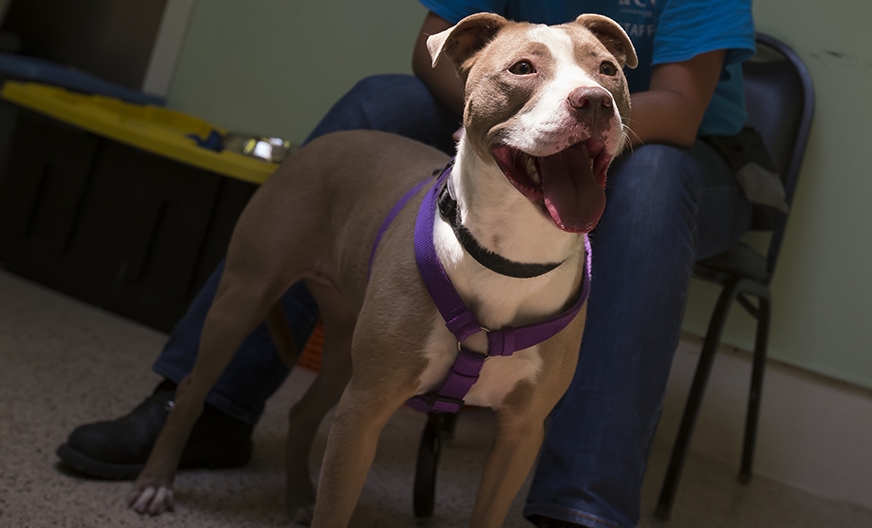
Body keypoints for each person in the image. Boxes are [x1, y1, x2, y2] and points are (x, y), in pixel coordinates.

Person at [58, 1, 757, 526]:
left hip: (675, 151)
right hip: (514, 106)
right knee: (378, 100)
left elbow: (681, 106)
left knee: (654, 185)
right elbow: (432, 48)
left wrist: (575, 121)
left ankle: (582, 504)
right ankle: (210, 402)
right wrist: (492, 121)